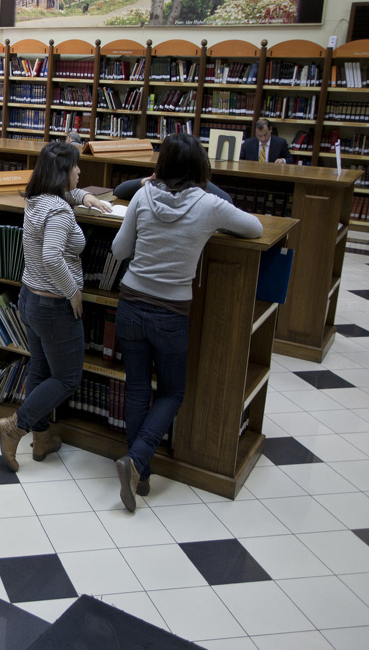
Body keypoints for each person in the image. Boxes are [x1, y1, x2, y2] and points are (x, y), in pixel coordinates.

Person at [110, 133, 263, 512]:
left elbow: (118, 250)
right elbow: (255, 228)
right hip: (170, 313)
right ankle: (137, 461)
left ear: (160, 165)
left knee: (136, 390)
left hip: (129, 304)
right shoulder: (209, 204)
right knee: (173, 393)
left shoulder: (143, 196)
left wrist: (150, 186)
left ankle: (139, 473)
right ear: (200, 169)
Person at [0, 142, 113, 471]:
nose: (79, 171)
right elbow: (51, 256)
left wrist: (84, 196)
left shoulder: (38, 199)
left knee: (41, 370)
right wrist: (73, 291)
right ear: (61, 173)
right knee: (67, 377)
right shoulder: (58, 212)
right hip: (55, 305)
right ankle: (14, 427)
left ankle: (42, 439)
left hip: (30, 298)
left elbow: (64, 197)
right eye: (75, 167)